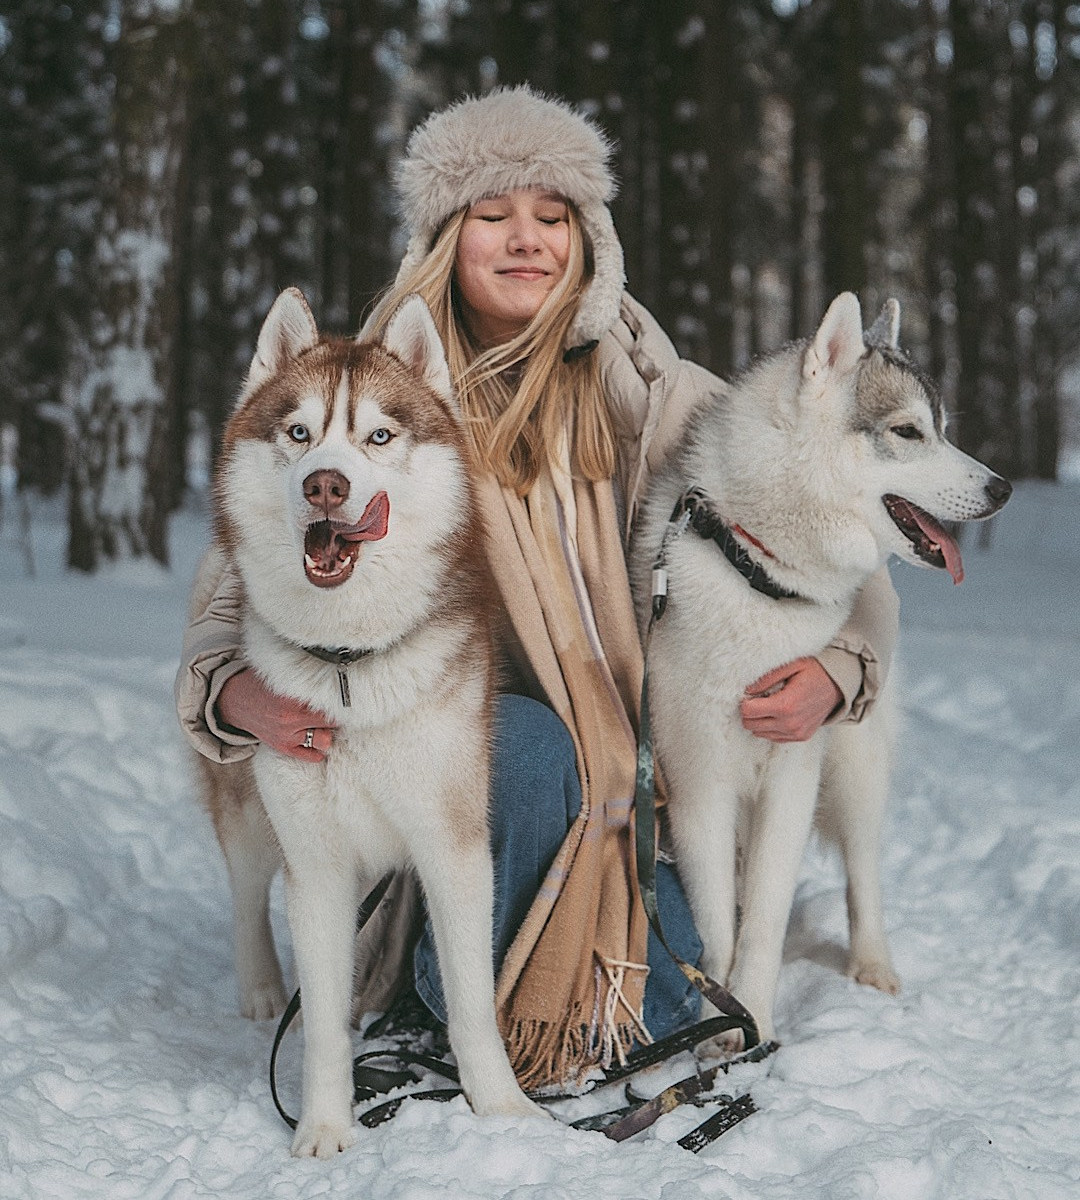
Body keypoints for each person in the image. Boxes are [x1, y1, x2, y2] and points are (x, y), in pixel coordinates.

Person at [176, 86, 898, 1089]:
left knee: (659, 1009)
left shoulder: (659, 394)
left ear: (589, 238)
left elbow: (834, 535)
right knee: (519, 743)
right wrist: (227, 688)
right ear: (444, 236)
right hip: (462, 764)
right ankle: (441, 997)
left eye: (553, 217)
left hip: (629, 790)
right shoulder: (375, 390)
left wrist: (839, 664)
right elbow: (236, 575)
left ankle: (562, 964)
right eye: (493, 215)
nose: (528, 241)